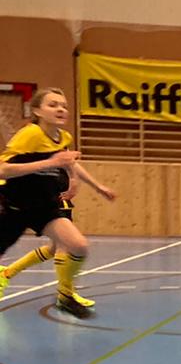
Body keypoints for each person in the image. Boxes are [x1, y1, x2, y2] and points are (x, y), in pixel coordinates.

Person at [0, 87, 116, 315]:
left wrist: (94, 185)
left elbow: (68, 161)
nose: (60, 109)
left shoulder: (63, 137)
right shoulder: (30, 134)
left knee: (78, 246)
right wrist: (51, 163)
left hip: (44, 206)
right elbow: (3, 170)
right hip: (14, 206)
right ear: (37, 111)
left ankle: (65, 297)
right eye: (52, 105)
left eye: (63, 105)